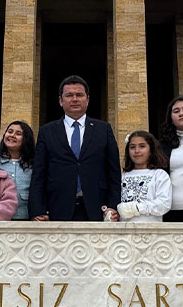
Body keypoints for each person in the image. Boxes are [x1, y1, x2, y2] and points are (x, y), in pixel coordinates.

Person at [30, 75, 122, 221]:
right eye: (69, 95)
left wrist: (113, 205)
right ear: (61, 101)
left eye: (79, 95)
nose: (74, 99)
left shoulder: (103, 129)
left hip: (97, 207)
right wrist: (37, 209)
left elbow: (114, 172)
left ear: (87, 99)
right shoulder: (47, 131)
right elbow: (38, 175)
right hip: (56, 207)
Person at [117, 131, 172, 223]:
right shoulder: (122, 176)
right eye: (132, 147)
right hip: (124, 232)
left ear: (151, 150)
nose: (137, 151)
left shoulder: (159, 175)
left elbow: (164, 204)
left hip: (151, 230)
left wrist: (138, 208)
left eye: (142, 146)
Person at [0, 120, 35, 220]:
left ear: (26, 139)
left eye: (18, 133)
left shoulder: (33, 164)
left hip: (26, 218)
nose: (12, 135)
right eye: (10, 131)